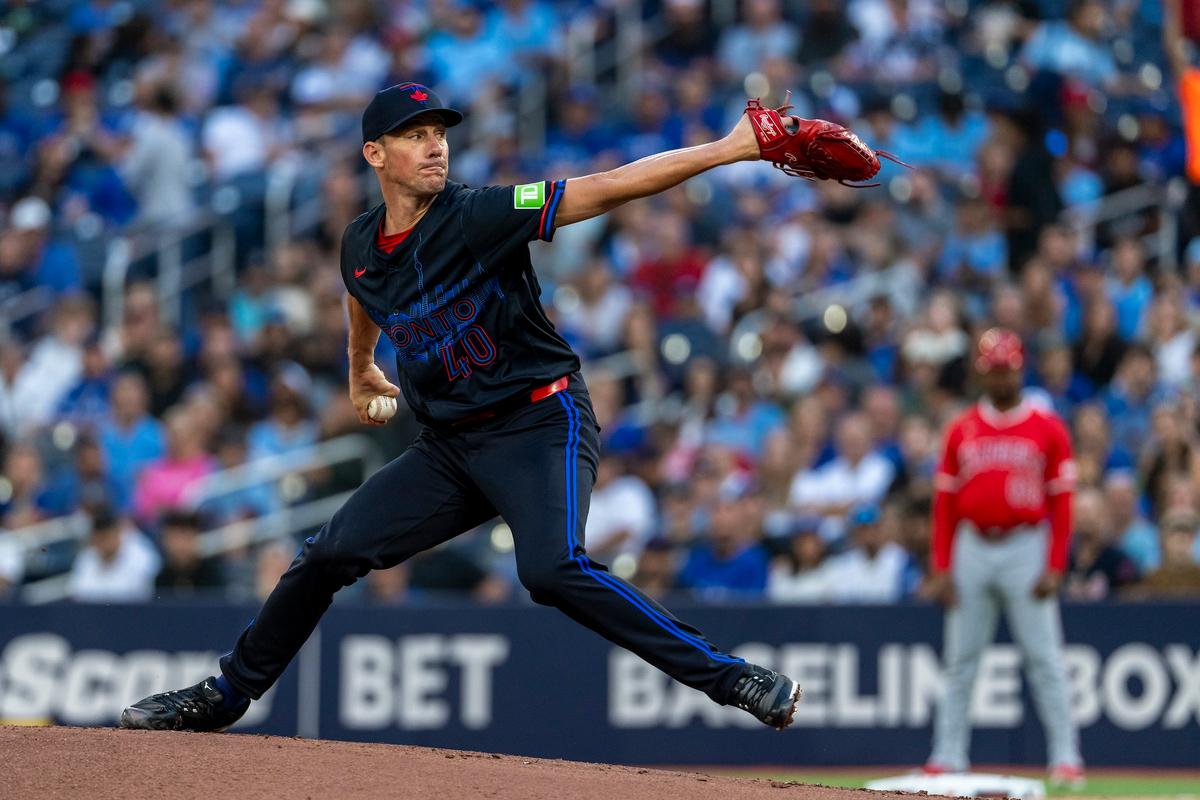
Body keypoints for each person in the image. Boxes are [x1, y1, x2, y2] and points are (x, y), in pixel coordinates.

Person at [121, 81, 817, 733]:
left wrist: (731, 149)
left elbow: (602, 189)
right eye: (414, 134)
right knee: (328, 552)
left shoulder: (479, 214)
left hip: (541, 420)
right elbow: (363, 291)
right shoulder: (359, 242)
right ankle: (226, 695)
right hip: (452, 447)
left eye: (439, 132)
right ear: (375, 155)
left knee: (551, 570)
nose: (434, 145)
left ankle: (734, 680)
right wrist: (361, 367)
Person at [923, 328, 1085, 788]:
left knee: (1045, 658)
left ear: (1020, 367)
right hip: (972, 545)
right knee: (960, 660)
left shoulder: (1046, 425)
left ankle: (1066, 756)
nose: (999, 379)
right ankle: (947, 754)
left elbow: (1063, 503)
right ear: (981, 371)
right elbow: (945, 505)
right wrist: (942, 565)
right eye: (992, 370)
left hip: (1025, 544)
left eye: (1006, 370)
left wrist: (1055, 563)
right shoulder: (962, 427)